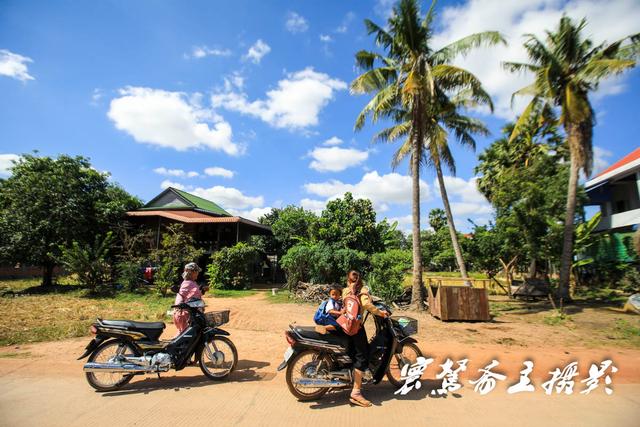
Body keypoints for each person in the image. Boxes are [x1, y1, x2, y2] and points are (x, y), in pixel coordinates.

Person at [341, 270, 389, 407]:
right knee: (362, 357)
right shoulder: (362, 290)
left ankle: (352, 378)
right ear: (360, 279)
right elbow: (367, 304)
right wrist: (380, 313)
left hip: (345, 326)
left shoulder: (345, 290)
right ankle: (356, 392)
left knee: (352, 353)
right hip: (356, 328)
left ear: (348, 279)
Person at [173, 262, 203, 336]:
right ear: (191, 272)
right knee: (186, 338)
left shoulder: (188, 282)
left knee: (182, 336)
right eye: (196, 271)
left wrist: (202, 291)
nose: (197, 274)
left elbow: (190, 295)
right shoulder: (189, 283)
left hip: (182, 314)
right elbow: (188, 298)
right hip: (184, 315)